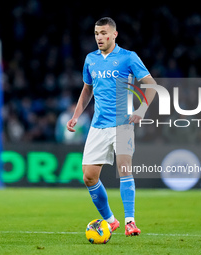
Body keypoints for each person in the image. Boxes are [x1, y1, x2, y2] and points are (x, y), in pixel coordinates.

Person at [66, 17, 156, 236]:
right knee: (88, 176)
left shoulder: (128, 58)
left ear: (114, 34)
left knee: (124, 168)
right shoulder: (91, 60)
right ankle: (110, 220)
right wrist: (76, 115)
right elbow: (87, 89)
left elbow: (151, 85)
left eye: (104, 33)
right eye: (96, 33)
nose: (99, 37)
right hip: (98, 125)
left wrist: (141, 110)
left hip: (123, 124)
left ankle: (130, 222)